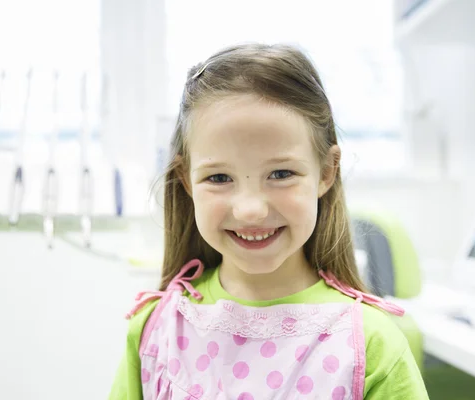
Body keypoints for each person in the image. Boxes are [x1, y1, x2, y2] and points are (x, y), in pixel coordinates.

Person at [109, 43, 429, 399]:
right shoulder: (155, 331)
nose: (250, 210)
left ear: (326, 172)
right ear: (186, 181)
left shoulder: (371, 345)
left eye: (280, 173)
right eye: (218, 178)